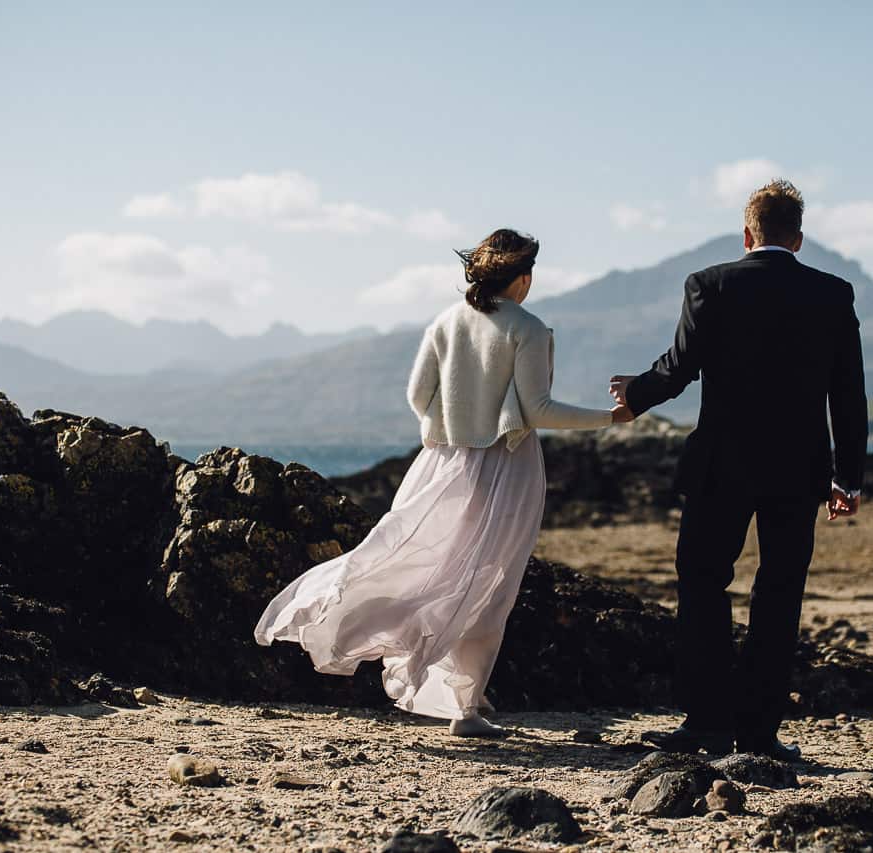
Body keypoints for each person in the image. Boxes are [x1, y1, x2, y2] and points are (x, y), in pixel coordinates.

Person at [255, 228, 632, 737]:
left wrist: (450, 427)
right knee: (489, 582)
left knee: (415, 561)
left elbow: (417, 395)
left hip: (440, 462)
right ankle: (465, 706)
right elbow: (539, 410)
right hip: (504, 466)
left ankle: (349, 621)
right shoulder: (530, 329)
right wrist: (612, 418)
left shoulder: (446, 322)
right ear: (522, 278)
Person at [610, 180, 868, 760]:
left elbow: (679, 370)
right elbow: (848, 395)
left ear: (746, 234)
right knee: (779, 594)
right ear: (797, 238)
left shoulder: (710, 284)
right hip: (799, 471)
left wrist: (635, 394)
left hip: (721, 466)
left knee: (702, 584)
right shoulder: (833, 294)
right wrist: (847, 477)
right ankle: (758, 733)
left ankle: (704, 723)